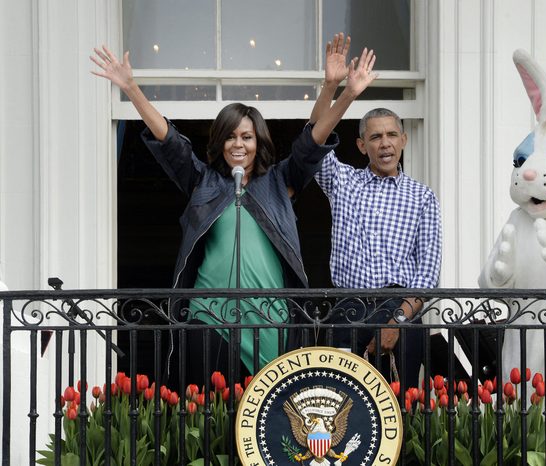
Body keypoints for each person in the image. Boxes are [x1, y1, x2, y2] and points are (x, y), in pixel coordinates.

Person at [91, 33, 377, 384]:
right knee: (209, 418)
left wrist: (342, 90)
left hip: (269, 322)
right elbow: (170, 141)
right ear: (219, 142)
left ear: (259, 141)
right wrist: (132, 88)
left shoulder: (280, 181)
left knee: (262, 422)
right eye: (230, 136)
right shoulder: (203, 182)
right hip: (208, 318)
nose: (238, 144)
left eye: (246, 136)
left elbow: (312, 141)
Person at [312, 106, 442, 386]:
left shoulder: (423, 197)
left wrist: (396, 322)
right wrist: (335, 88)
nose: (385, 143)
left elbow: (427, 276)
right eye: (376, 137)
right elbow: (315, 139)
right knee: (342, 403)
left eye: (392, 134)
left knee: (398, 410)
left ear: (403, 140)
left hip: (400, 311)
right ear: (361, 145)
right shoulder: (342, 181)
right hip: (348, 311)